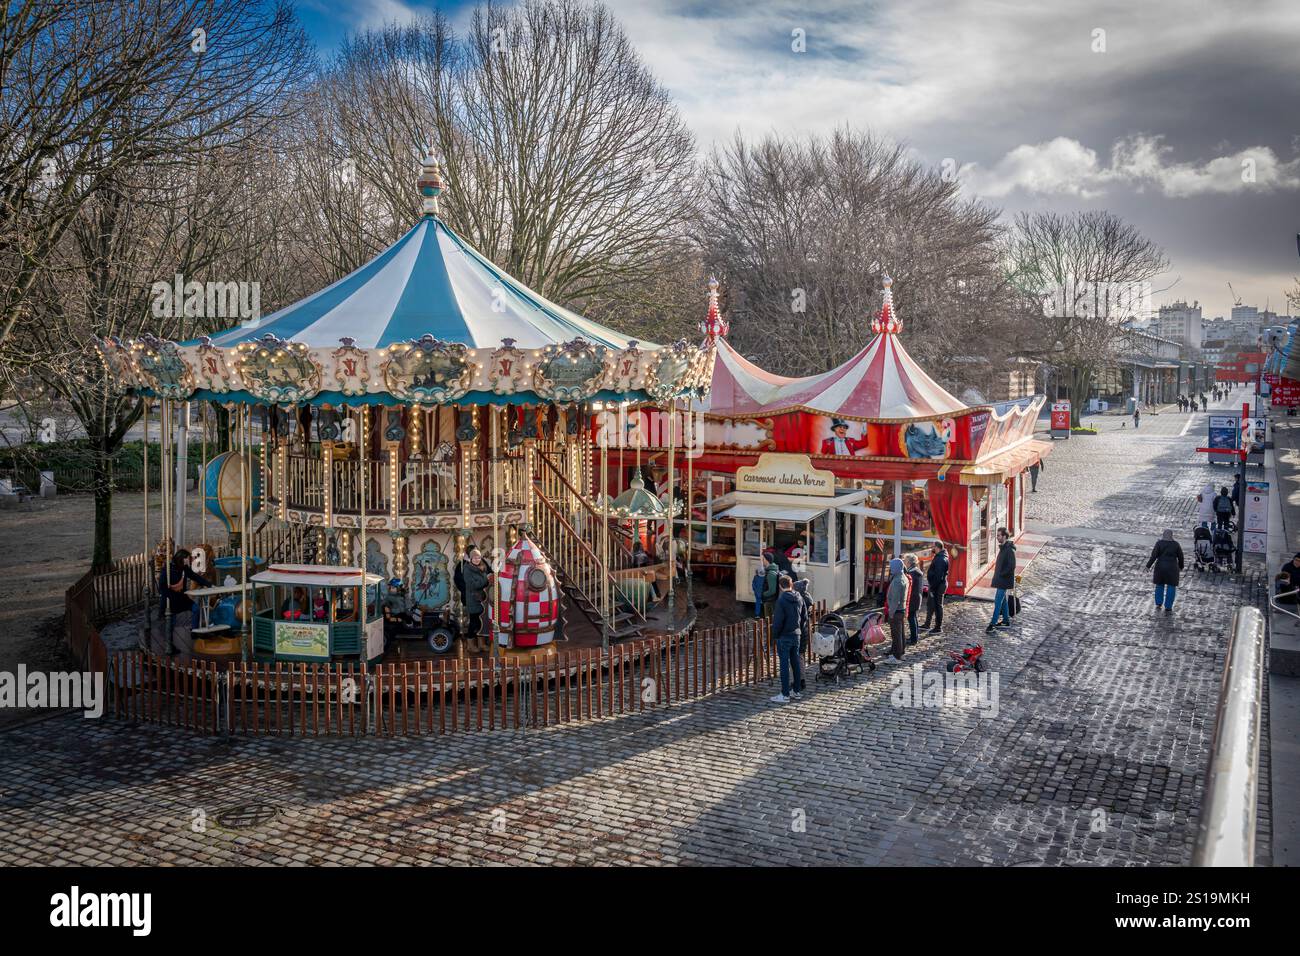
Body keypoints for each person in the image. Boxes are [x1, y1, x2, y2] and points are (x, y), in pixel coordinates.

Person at [158, 549, 211, 654]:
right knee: (171, 623)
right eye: (186, 558)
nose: (188, 560)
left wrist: (208, 584)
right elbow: (162, 587)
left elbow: (194, 576)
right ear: (181, 559)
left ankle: (194, 631)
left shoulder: (184, 568)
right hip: (170, 600)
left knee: (196, 608)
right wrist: (169, 596)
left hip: (181, 598)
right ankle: (170, 645)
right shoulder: (167, 570)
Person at [769, 575, 804, 703]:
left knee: (784, 665)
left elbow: (778, 621)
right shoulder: (800, 597)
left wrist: (775, 635)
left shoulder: (781, 600)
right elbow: (804, 617)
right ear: (792, 584)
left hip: (784, 636)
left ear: (780, 586)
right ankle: (796, 691)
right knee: (795, 663)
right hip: (797, 634)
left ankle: (785, 694)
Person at [1146, 529, 1184, 616]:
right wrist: (1181, 566)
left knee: (1159, 585)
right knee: (1171, 587)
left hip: (1160, 567)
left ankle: (1159, 602)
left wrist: (1148, 566)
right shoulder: (1176, 545)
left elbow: (1154, 556)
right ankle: (1168, 606)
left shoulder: (1159, 543)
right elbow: (1181, 557)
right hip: (1172, 568)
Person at [986, 528, 1016, 633]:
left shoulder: (1009, 549)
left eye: (999, 535)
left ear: (1004, 536)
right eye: (997, 535)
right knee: (1003, 601)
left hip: (1003, 580)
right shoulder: (1004, 548)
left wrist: (1002, 574)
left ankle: (992, 624)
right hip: (1001, 579)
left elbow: (1012, 566)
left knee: (998, 600)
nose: (997, 537)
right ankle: (1006, 621)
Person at [460, 548, 491, 646]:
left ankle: (481, 643)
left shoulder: (482, 567)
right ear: (470, 559)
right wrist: (486, 580)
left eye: (478, 557)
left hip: (482, 599)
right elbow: (472, 585)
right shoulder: (468, 569)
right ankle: (471, 644)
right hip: (473, 599)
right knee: (474, 622)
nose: (477, 559)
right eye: (474, 558)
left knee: (481, 623)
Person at [884, 558, 910, 661]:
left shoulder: (897, 581)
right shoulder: (903, 577)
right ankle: (901, 652)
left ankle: (896, 656)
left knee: (896, 635)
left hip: (896, 611)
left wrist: (890, 613)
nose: (890, 569)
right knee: (900, 633)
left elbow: (895, 600)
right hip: (901, 610)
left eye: (891, 567)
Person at [922, 541, 949, 634]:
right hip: (935, 585)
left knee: (938, 606)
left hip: (938, 586)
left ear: (937, 547)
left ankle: (938, 627)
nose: (931, 548)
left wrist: (933, 588)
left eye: (933, 546)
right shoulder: (939, 556)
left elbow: (938, 576)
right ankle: (927, 624)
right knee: (930, 605)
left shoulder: (941, 559)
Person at [793, 577, 813, 693]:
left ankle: (800, 680)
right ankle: (801, 679)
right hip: (804, 631)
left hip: (800, 632)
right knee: (801, 656)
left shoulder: (801, 601)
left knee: (798, 657)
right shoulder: (807, 598)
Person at [904, 553, 924, 645]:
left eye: (905, 560)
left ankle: (913, 639)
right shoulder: (916, 571)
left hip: (912, 599)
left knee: (911, 619)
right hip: (916, 598)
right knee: (913, 618)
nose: (904, 562)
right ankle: (914, 637)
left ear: (909, 562)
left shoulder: (912, 573)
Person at [761, 552, 780, 617]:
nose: (762, 561)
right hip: (771, 601)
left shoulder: (770, 574)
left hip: (769, 602)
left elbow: (772, 590)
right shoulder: (772, 570)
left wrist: (763, 594)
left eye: (763, 559)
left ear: (767, 560)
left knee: (769, 621)